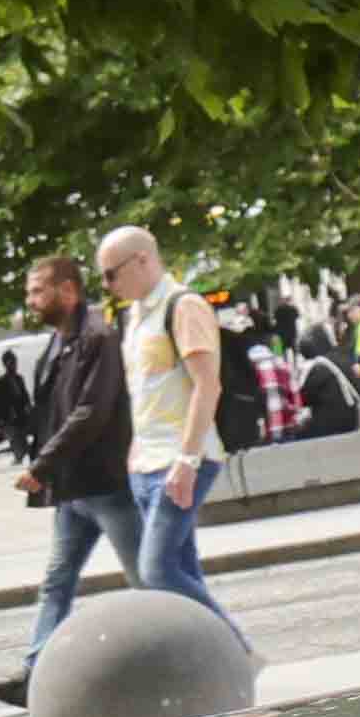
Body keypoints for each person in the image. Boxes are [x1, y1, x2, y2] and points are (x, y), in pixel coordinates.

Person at [11, 256, 137, 657]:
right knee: (57, 581)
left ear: (67, 290)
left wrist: (42, 465)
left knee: (151, 579)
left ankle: (202, 654)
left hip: (106, 485)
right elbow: (52, 411)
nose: (30, 300)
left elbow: (90, 412)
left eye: (36, 291)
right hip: (73, 488)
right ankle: (36, 670)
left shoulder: (99, 335)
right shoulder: (59, 341)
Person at [99, 220, 230, 608]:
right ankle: (205, 666)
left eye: (111, 274)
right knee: (181, 572)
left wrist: (188, 460)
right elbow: (146, 394)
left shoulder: (183, 306)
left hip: (182, 459)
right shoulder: (137, 317)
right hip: (146, 463)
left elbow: (208, 385)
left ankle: (235, 655)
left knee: (155, 571)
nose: (107, 284)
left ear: (141, 260)